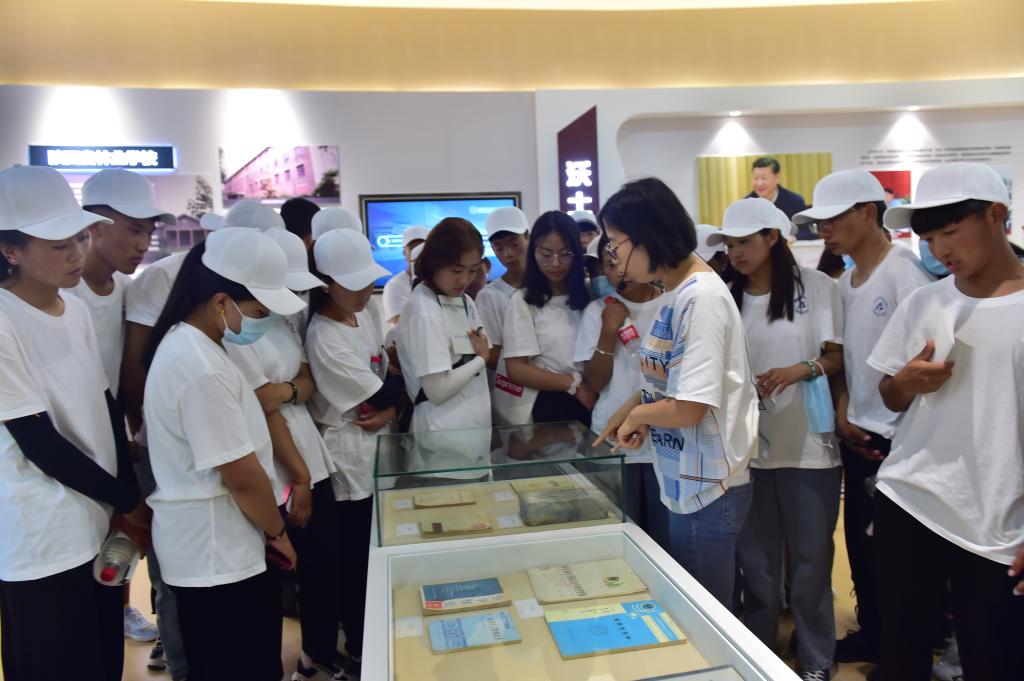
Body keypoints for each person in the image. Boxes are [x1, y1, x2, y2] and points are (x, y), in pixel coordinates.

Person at [867, 162, 1024, 681]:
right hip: (910, 498)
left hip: (998, 520)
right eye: (930, 238)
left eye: (951, 231)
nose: (940, 250)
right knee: (900, 655)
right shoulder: (925, 301)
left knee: (995, 659)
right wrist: (905, 383)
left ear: (996, 215)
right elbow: (889, 396)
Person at [120, 196, 284, 680]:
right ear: (220, 302)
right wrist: (277, 533)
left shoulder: (193, 346)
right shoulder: (199, 365)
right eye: (259, 310)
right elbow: (240, 475)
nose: (264, 321)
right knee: (235, 665)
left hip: (219, 547)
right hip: (216, 554)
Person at [0, 165, 144, 681]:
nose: (76, 253)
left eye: (80, 237)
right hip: (43, 531)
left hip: (94, 515)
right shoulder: (5, 320)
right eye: (59, 244)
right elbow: (38, 441)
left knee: (102, 659)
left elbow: (103, 401)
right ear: (11, 251)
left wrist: (124, 495)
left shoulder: (75, 309)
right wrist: (126, 499)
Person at [594, 178, 758, 608]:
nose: (614, 257)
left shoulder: (701, 298)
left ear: (646, 235)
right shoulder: (677, 291)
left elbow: (689, 407)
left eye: (615, 243)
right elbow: (668, 382)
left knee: (704, 610)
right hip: (686, 478)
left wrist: (638, 417)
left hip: (708, 486)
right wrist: (633, 407)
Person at [792, 169, 933, 667]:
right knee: (862, 548)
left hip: (897, 440)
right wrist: (844, 406)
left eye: (832, 220)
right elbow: (849, 361)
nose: (824, 231)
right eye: (819, 223)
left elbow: (922, 366)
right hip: (858, 433)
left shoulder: (904, 273)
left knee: (895, 558)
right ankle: (873, 635)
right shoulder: (847, 283)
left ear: (868, 213)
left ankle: (901, 652)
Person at [715, 198, 844, 681]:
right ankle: (761, 653)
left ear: (773, 237)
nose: (735, 253)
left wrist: (800, 369)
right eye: (729, 244)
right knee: (757, 563)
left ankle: (816, 657)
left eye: (744, 242)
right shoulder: (724, 295)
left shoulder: (818, 287)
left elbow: (836, 356)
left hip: (809, 445)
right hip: (744, 449)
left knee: (812, 559)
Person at [221, 228, 346, 681]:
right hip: (280, 467)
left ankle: (318, 656)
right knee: (280, 576)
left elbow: (305, 382)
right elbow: (262, 405)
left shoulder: (284, 319)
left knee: (324, 566)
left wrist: (287, 390)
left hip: (309, 451)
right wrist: (300, 476)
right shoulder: (238, 329)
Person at [70, 168, 172, 650]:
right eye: (134, 229)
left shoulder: (127, 291)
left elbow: (127, 375)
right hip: (67, 447)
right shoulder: (61, 294)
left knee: (116, 549)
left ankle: (120, 608)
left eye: (148, 231)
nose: (143, 244)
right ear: (95, 224)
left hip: (110, 441)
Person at [306, 228, 402, 675]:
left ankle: (370, 638)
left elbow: (388, 383)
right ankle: (360, 647)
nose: (365, 290)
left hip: (373, 450)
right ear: (326, 284)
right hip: (347, 457)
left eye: (368, 281)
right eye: (354, 283)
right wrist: (393, 397)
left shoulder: (363, 315)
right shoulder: (323, 335)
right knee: (354, 562)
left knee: (373, 554)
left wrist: (391, 404)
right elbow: (379, 393)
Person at [574, 231, 663, 539]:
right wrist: (608, 330)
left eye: (622, 261)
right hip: (613, 436)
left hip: (664, 439)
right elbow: (596, 382)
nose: (618, 271)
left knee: (665, 537)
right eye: (608, 265)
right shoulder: (597, 311)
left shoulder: (672, 304)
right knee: (619, 531)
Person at [396, 218, 491, 453]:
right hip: (441, 437)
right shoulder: (424, 310)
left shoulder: (463, 299)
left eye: (472, 270)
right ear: (435, 262)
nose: (464, 279)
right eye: (456, 270)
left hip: (471, 435)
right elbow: (437, 390)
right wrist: (481, 359)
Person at [502, 211, 596, 426]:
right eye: (546, 254)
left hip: (598, 393)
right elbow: (516, 368)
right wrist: (573, 384)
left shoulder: (591, 293)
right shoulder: (523, 301)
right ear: (533, 251)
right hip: (553, 400)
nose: (555, 263)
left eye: (565, 254)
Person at [475, 206, 530, 414]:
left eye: (514, 244)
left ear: (528, 237)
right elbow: (492, 355)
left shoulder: (550, 284)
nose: (508, 254)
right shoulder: (489, 296)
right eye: (499, 248)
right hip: (515, 396)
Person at [746, 157, 811, 239]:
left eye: (764, 178)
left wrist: (794, 237)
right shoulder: (746, 205)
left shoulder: (794, 201)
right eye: (755, 178)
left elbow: (807, 231)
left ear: (777, 178)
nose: (759, 183)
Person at [382, 226, 430, 328]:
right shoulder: (395, 285)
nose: (417, 252)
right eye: (413, 248)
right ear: (404, 252)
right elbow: (400, 323)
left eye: (421, 247)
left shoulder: (439, 282)